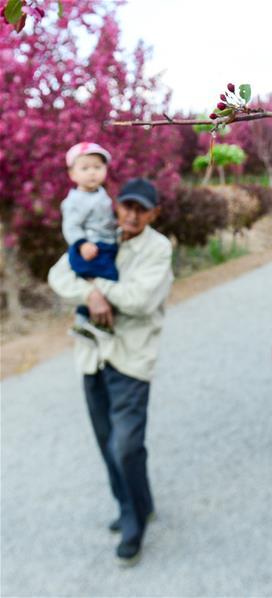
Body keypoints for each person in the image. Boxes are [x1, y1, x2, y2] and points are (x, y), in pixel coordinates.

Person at [47, 178, 173, 566]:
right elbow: (58, 275)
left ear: (154, 213)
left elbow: (138, 299)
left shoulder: (158, 247)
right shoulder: (99, 234)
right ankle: (134, 505)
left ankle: (135, 524)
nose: (132, 215)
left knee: (126, 445)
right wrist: (90, 295)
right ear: (116, 207)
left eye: (141, 209)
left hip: (131, 360)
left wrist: (95, 285)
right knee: (107, 441)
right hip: (92, 356)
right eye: (126, 207)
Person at [60, 142, 117, 339]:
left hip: (106, 245)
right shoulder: (74, 201)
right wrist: (82, 243)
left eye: (97, 167)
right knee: (105, 280)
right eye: (85, 168)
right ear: (72, 174)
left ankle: (87, 322)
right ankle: (87, 321)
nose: (92, 173)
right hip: (90, 248)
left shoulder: (102, 195)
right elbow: (71, 226)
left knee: (107, 280)